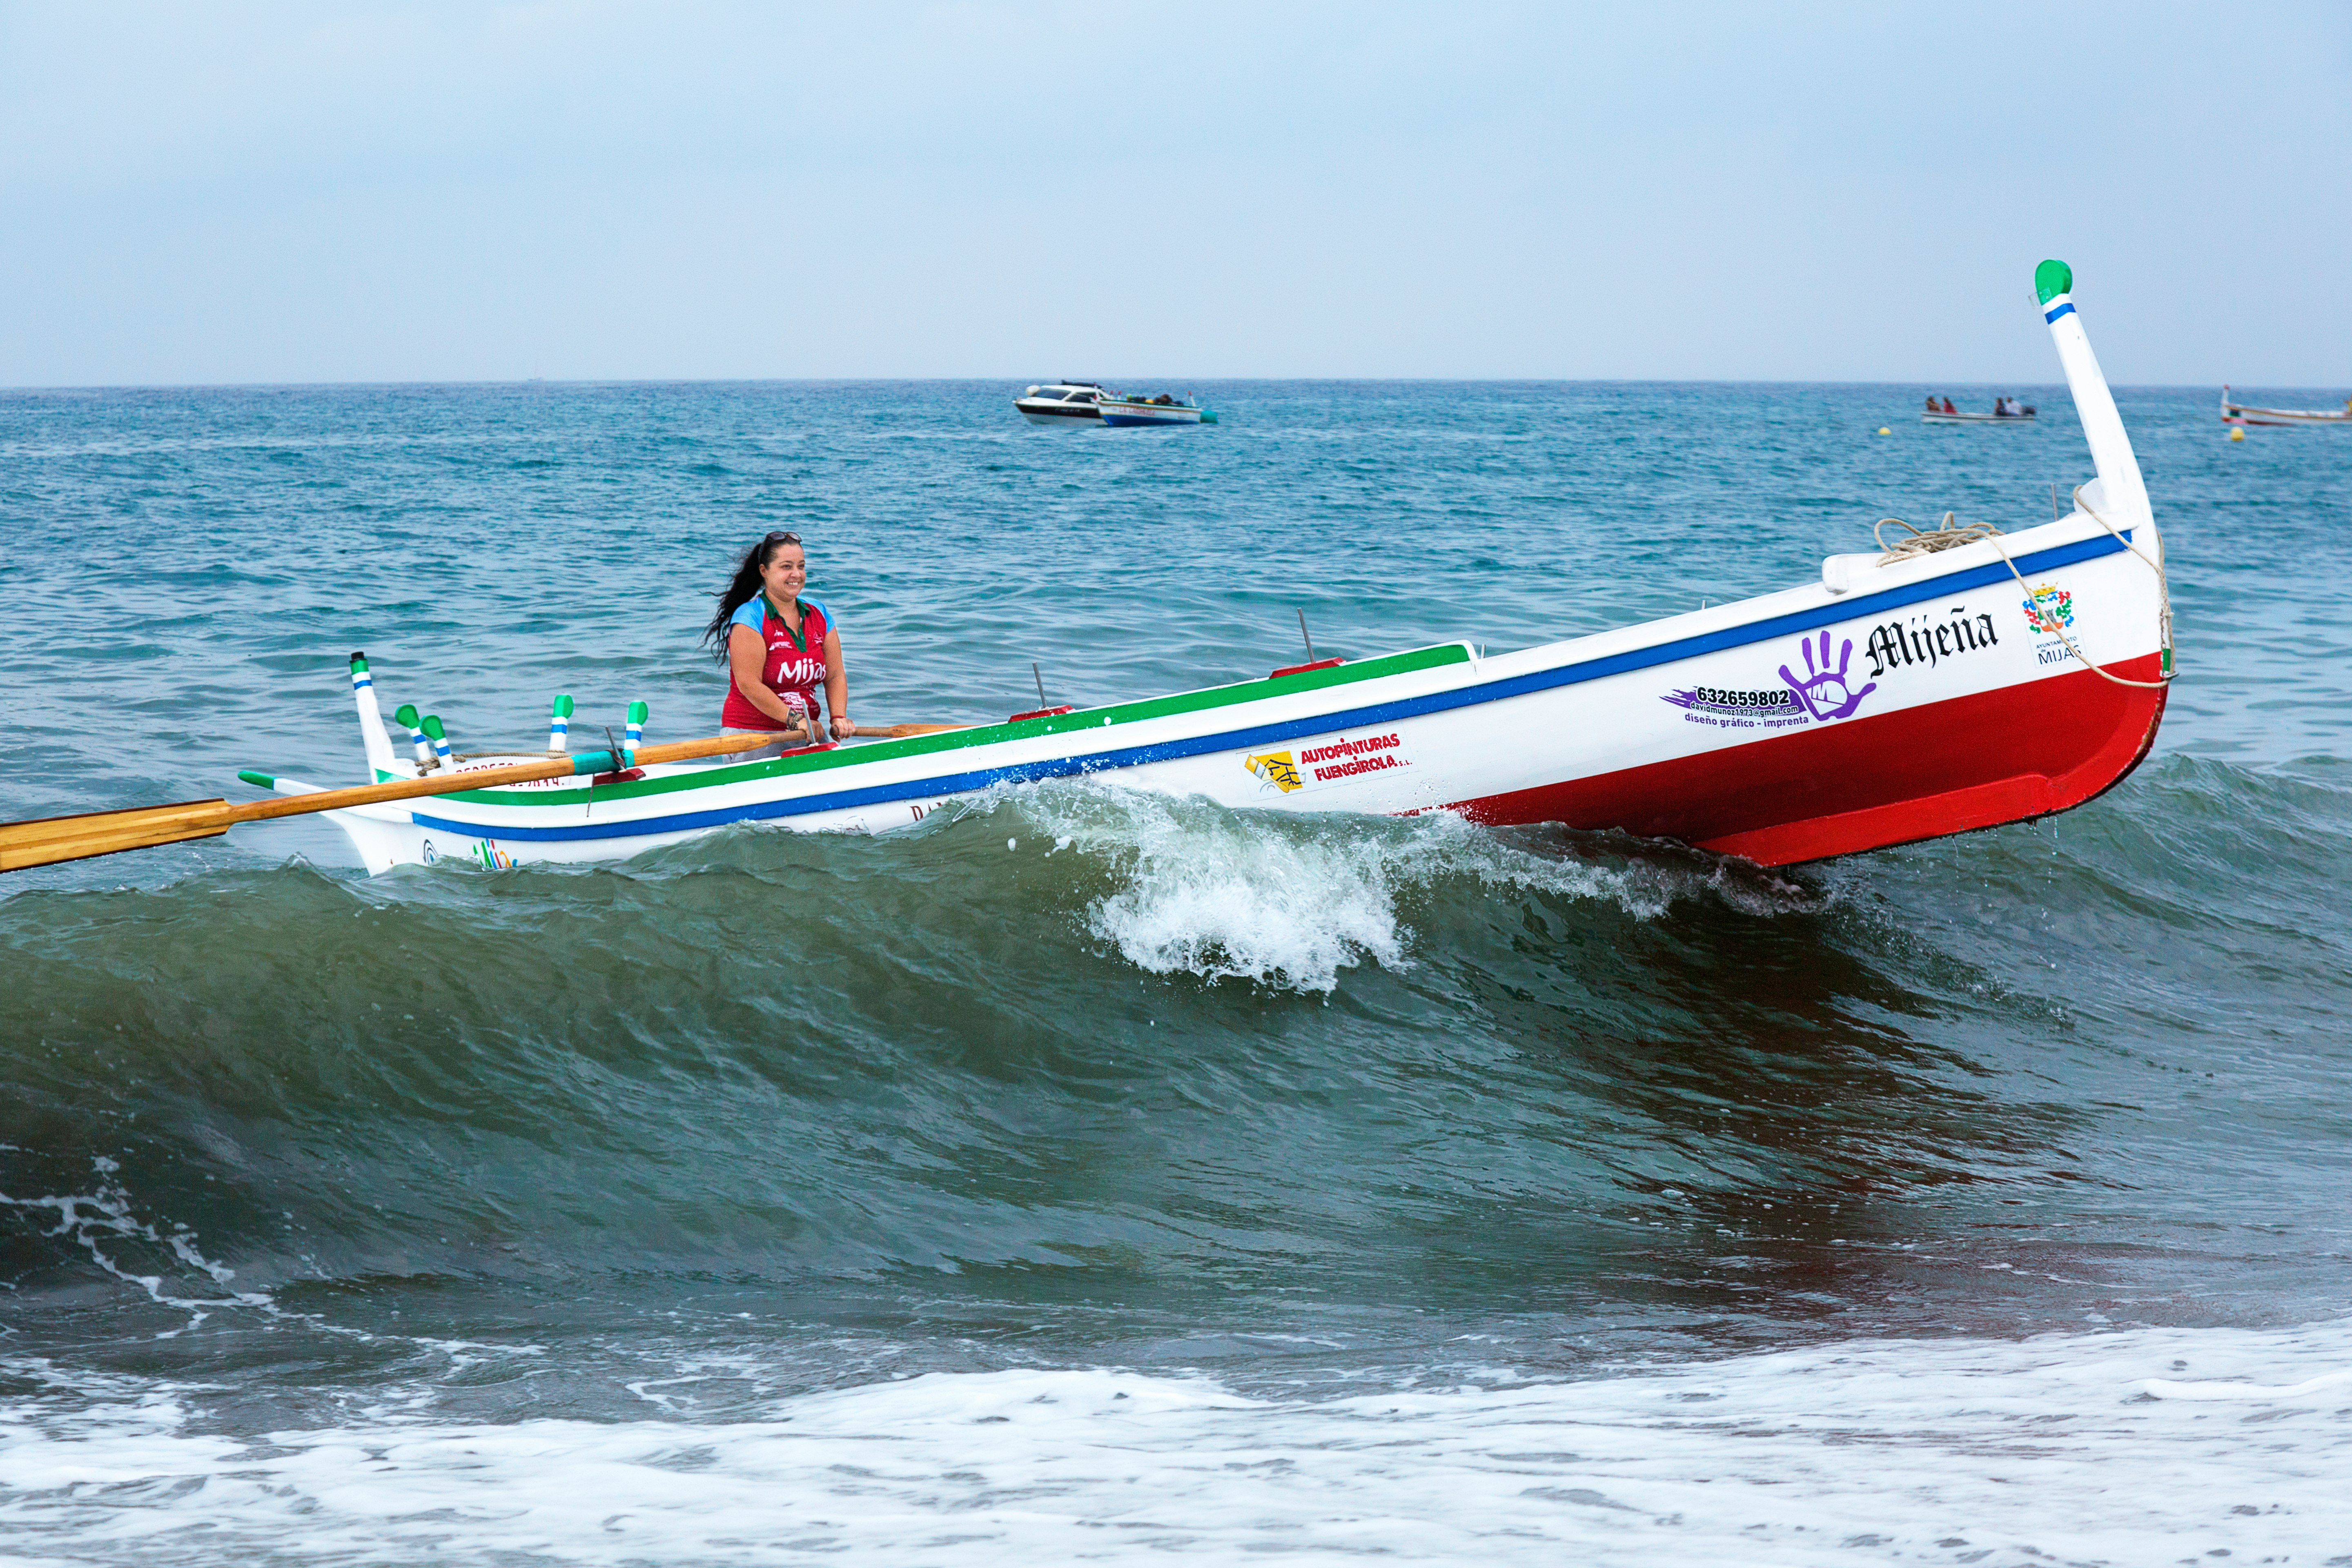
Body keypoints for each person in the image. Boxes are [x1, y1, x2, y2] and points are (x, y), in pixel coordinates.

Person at [702, 530, 855, 755]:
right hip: (753, 734)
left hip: (806, 733)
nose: (796, 574)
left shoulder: (819, 613)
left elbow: (834, 675)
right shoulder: (750, 618)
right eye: (786, 567)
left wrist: (839, 717)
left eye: (801, 566)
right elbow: (749, 685)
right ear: (764, 571)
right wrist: (796, 720)